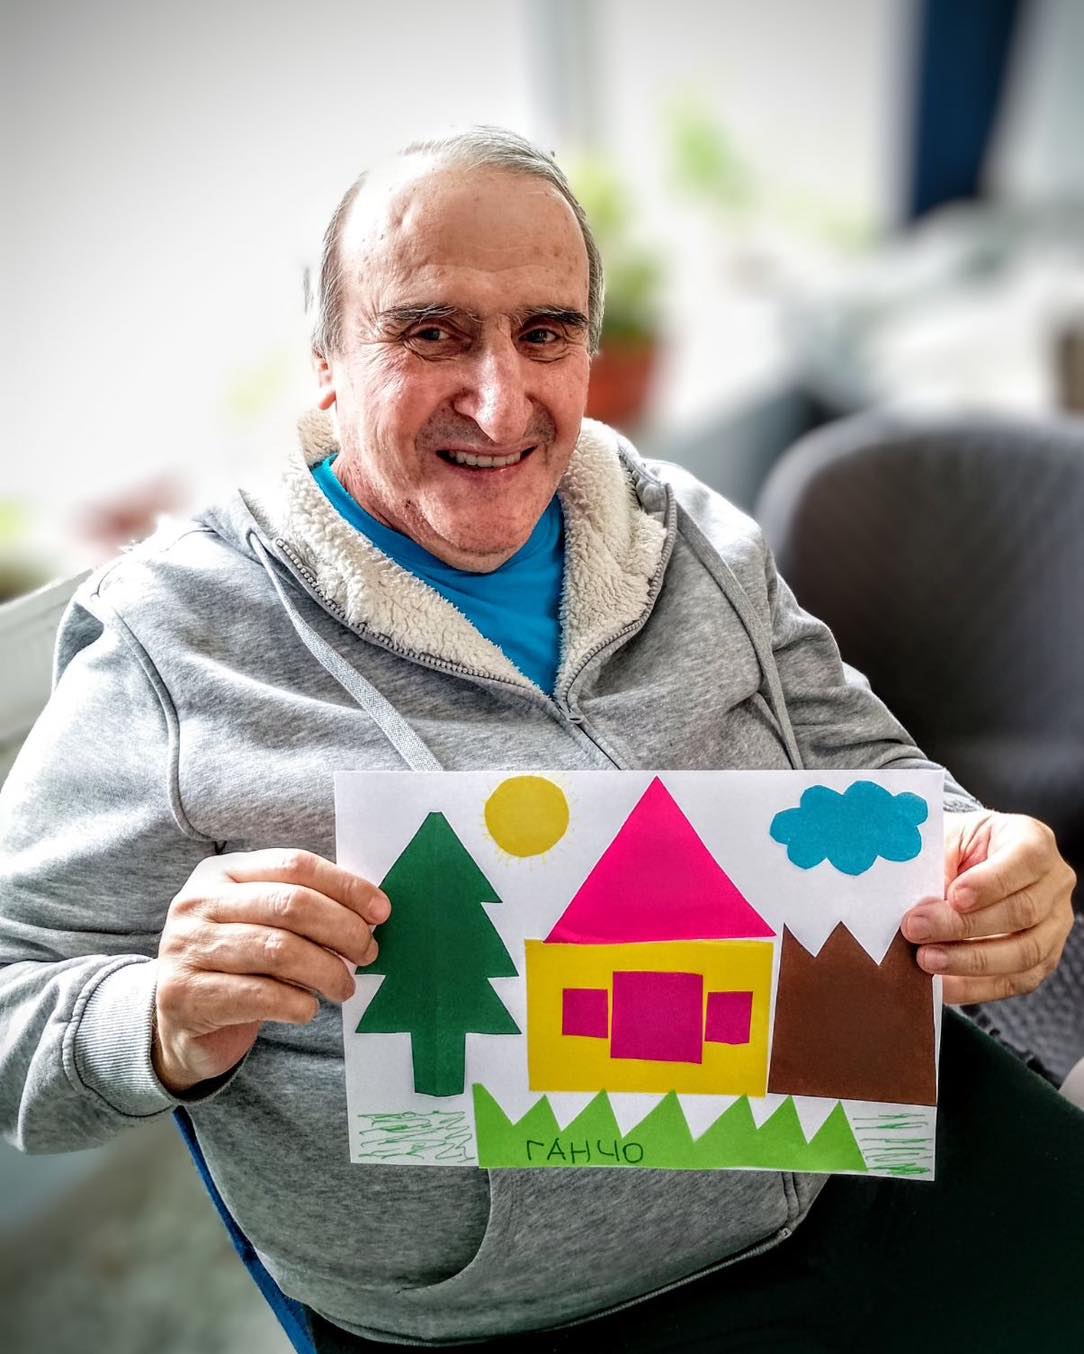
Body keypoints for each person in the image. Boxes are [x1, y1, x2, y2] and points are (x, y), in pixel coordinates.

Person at [0, 127, 1080, 1353]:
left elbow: (867, 767)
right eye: (430, 332)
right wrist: (158, 1018)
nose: (499, 399)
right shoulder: (172, 638)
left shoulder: (688, 534)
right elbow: (14, 1000)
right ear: (325, 366)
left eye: (546, 332)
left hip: (857, 1166)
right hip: (518, 1308)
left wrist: (977, 855)